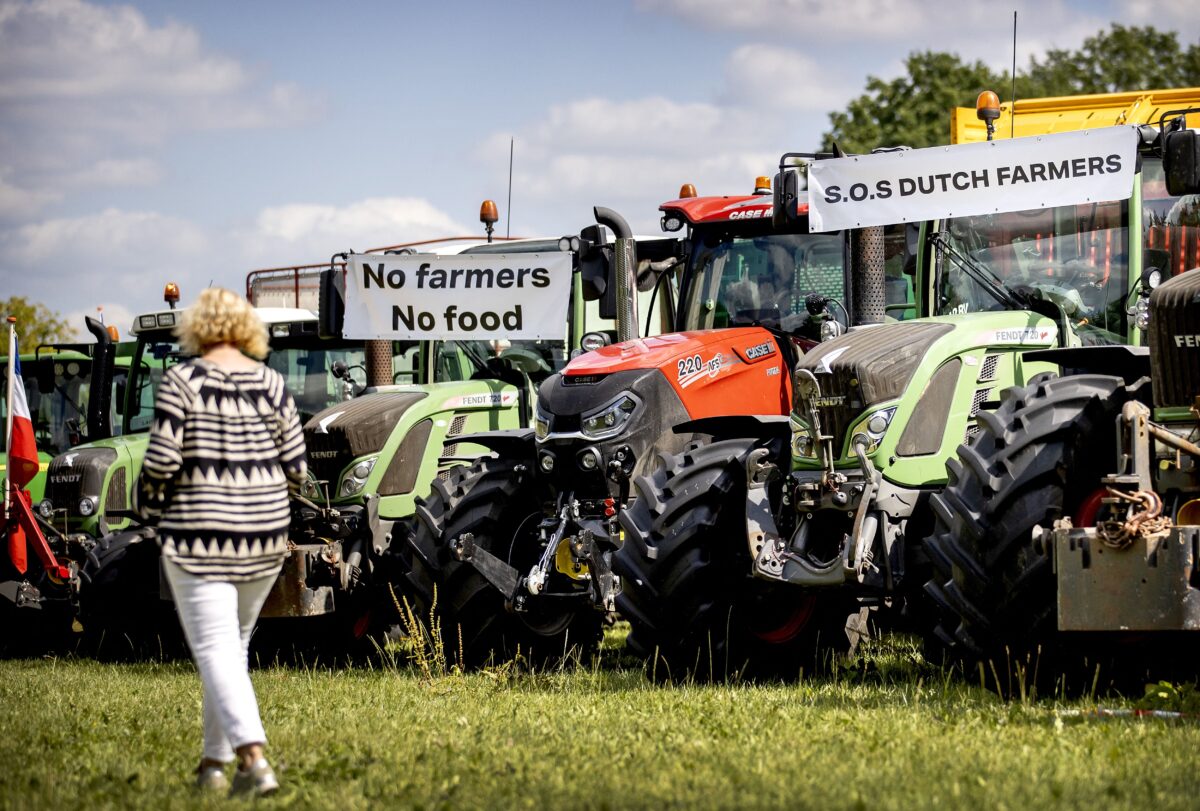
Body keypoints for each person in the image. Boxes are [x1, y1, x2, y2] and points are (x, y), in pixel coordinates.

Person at [134, 287, 306, 796]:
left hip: (200, 535)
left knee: (214, 649)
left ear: (198, 327)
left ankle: (254, 762)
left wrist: (148, 505)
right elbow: (297, 468)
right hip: (265, 539)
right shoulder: (273, 382)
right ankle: (212, 766)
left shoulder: (182, 381)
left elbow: (162, 461)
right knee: (232, 648)